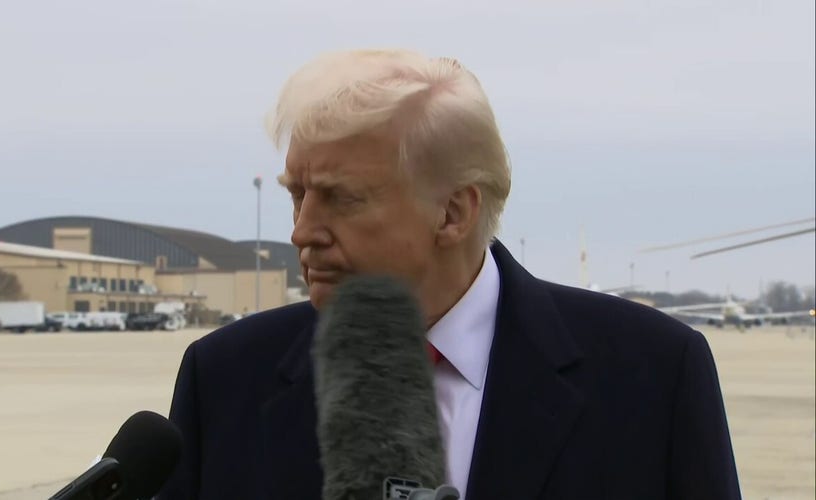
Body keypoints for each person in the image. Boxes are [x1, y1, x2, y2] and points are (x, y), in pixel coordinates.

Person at [157, 49, 741, 499]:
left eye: (341, 199)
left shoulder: (653, 376)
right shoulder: (225, 380)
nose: (302, 231)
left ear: (453, 213)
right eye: (298, 196)